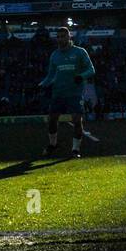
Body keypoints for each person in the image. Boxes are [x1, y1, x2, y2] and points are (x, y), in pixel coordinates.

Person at [39, 26, 95, 158]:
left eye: (63, 36)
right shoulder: (54, 55)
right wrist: (42, 84)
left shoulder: (80, 52)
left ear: (69, 37)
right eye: (58, 37)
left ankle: (75, 150)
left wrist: (81, 76)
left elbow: (91, 70)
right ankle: (53, 144)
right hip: (58, 93)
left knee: (77, 120)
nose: (60, 39)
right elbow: (50, 75)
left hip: (74, 94)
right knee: (52, 119)